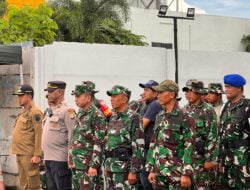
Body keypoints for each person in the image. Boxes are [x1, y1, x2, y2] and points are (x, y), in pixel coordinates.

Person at [146, 80, 195, 189]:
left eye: (161, 92)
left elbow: (189, 145)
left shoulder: (185, 116)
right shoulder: (160, 116)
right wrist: (151, 169)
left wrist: (186, 173)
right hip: (159, 172)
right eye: (157, 93)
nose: (158, 95)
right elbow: (154, 143)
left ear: (172, 94)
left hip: (176, 173)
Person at [104, 85, 144, 189]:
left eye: (115, 96)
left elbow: (138, 146)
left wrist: (134, 171)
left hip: (124, 170)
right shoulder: (113, 117)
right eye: (111, 96)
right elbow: (110, 142)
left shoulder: (134, 117)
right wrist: (106, 165)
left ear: (125, 99)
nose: (111, 99)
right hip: (110, 167)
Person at [69, 82, 107, 189]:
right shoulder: (80, 112)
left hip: (87, 166)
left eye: (78, 96)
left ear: (88, 98)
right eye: (75, 96)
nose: (75, 99)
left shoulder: (96, 115)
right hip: (76, 164)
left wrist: (94, 165)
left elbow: (99, 142)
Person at [182, 80, 217, 189]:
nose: (187, 94)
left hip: (201, 160)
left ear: (199, 92)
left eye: (190, 91)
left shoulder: (208, 110)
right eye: (186, 91)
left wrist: (209, 159)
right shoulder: (184, 109)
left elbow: (212, 135)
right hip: (187, 160)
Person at [217, 74, 250, 189]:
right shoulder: (226, 107)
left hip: (243, 163)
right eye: (225, 87)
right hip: (226, 162)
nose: (226, 90)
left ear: (239, 88)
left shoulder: (247, 106)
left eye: (229, 87)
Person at [42, 81, 75, 190]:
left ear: (60, 92)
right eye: (48, 92)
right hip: (48, 159)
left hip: (60, 160)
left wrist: (71, 159)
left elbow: (72, 135)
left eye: (51, 91)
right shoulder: (51, 110)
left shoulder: (67, 111)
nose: (48, 94)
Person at [12, 84, 43, 190]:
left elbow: (39, 134)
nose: (19, 98)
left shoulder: (35, 112)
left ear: (29, 96)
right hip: (20, 152)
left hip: (29, 154)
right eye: (18, 96)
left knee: (33, 185)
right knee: (23, 183)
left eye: (21, 95)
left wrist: (37, 154)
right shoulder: (24, 112)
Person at [138, 80, 162, 190]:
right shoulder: (147, 104)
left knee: (147, 183)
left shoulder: (155, 104)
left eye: (147, 90)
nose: (144, 92)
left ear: (156, 93)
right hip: (146, 148)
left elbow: (142, 125)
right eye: (144, 89)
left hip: (149, 150)